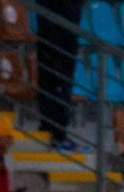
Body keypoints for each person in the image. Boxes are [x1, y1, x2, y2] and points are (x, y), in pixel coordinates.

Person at [36, 0, 86, 152]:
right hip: (61, 34)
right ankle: (57, 135)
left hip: (55, 32)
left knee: (52, 78)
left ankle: (50, 129)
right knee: (59, 80)